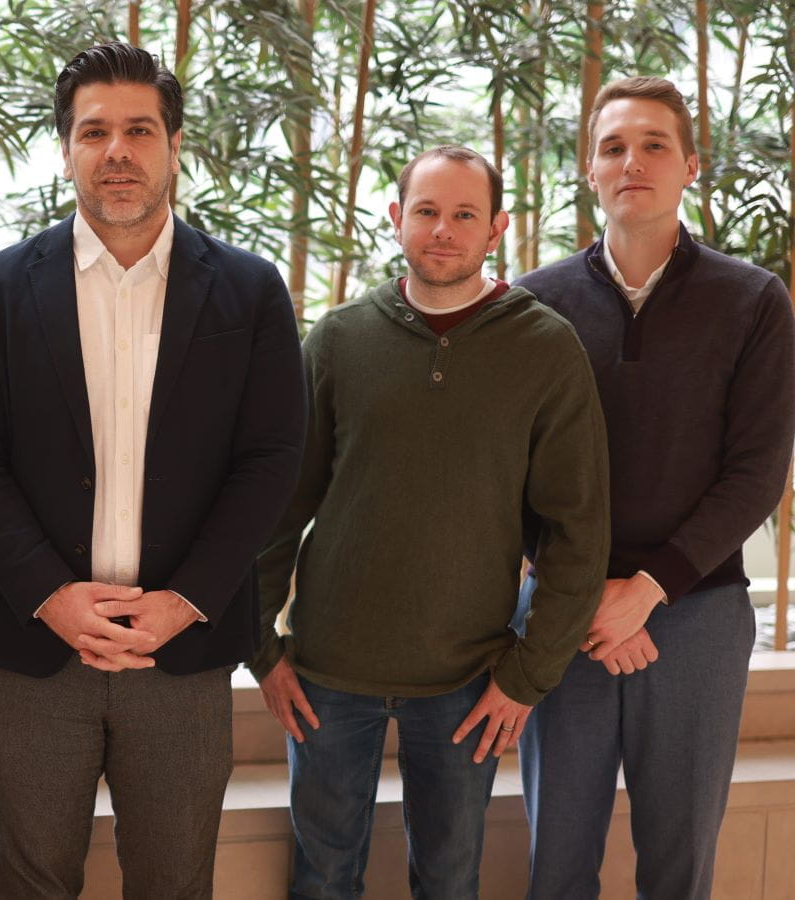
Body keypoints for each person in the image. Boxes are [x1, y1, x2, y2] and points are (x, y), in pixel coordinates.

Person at [0, 41, 307, 898]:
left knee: (176, 882)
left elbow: (271, 460)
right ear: (66, 148)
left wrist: (186, 601)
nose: (117, 151)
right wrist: (51, 596)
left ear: (175, 146)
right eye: (93, 131)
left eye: (140, 130)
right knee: (31, 883)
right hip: (34, 645)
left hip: (181, 648)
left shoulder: (250, 291)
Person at [248, 145, 611, 898]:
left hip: (467, 679)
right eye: (426, 211)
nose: (442, 230)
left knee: (448, 880)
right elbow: (277, 506)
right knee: (321, 877)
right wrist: (263, 648)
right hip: (325, 674)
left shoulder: (544, 348)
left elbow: (578, 529)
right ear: (396, 219)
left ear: (496, 229)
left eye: (463, 215)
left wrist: (526, 676)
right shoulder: (341, 338)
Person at [514, 76, 795, 899]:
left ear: (691, 166)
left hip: (698, 614)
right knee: (557, 864)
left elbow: (757, 473)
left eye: (653, 145)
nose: (631, 160)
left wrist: (646, 591)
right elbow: (509, 474)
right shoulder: (534, 304)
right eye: (612, 147)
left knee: (678, 869)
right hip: (562, 615)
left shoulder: (753, 301)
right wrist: (588, 594)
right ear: (588, 172)